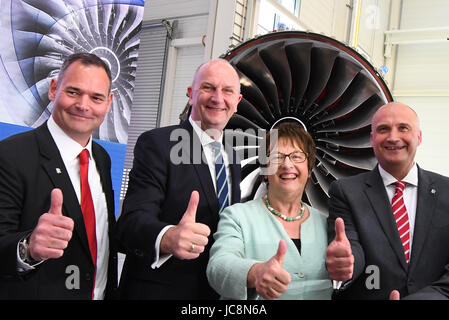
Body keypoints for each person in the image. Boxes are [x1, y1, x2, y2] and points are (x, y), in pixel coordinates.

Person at [116, 59, 242, 299]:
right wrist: (168, 237)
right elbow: (130, 223)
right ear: (191, 95)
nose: (217, 98)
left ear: (237, 101)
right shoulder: (158, 144)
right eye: (208, 88)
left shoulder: (231, 157)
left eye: (227, 91)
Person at [0, 53, 118, 299]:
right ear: (54, 89)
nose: (83, 105)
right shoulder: (10, 155)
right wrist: (28, 248)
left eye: (96, 97)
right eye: (73, 92)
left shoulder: (103, 159)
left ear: (108, 103)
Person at [326, 102, 449, 300]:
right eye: (383, 129)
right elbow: (351, 247)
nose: (393, 137)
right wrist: (345, 265)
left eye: (403, 128)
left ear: (419, 137)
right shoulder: (346, 191)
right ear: (372, 139)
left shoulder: (447, 191)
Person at [207, 122, 332, 300]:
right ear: (265, 170)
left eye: (297, 156)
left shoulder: (326, 223)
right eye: (277, 157)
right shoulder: (237, 216)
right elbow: (218, 266)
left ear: (309, 169)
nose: (287, 164)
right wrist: (254, 272)